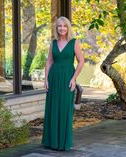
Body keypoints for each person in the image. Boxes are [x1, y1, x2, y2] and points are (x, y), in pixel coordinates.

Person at [41, 16, 84, 151]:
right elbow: (49, 61)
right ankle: (51, 141)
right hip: (53, 78)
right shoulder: (53, 43)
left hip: (67, 79)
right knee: (52, 108)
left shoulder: (74, 42)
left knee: (65, 109)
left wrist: (74, 79)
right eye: (59, 26)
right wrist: (46, 79)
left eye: (64, 26)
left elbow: (81, 61)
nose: (62, 28)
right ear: (56, 28)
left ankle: (63, 142)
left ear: (68, 27)